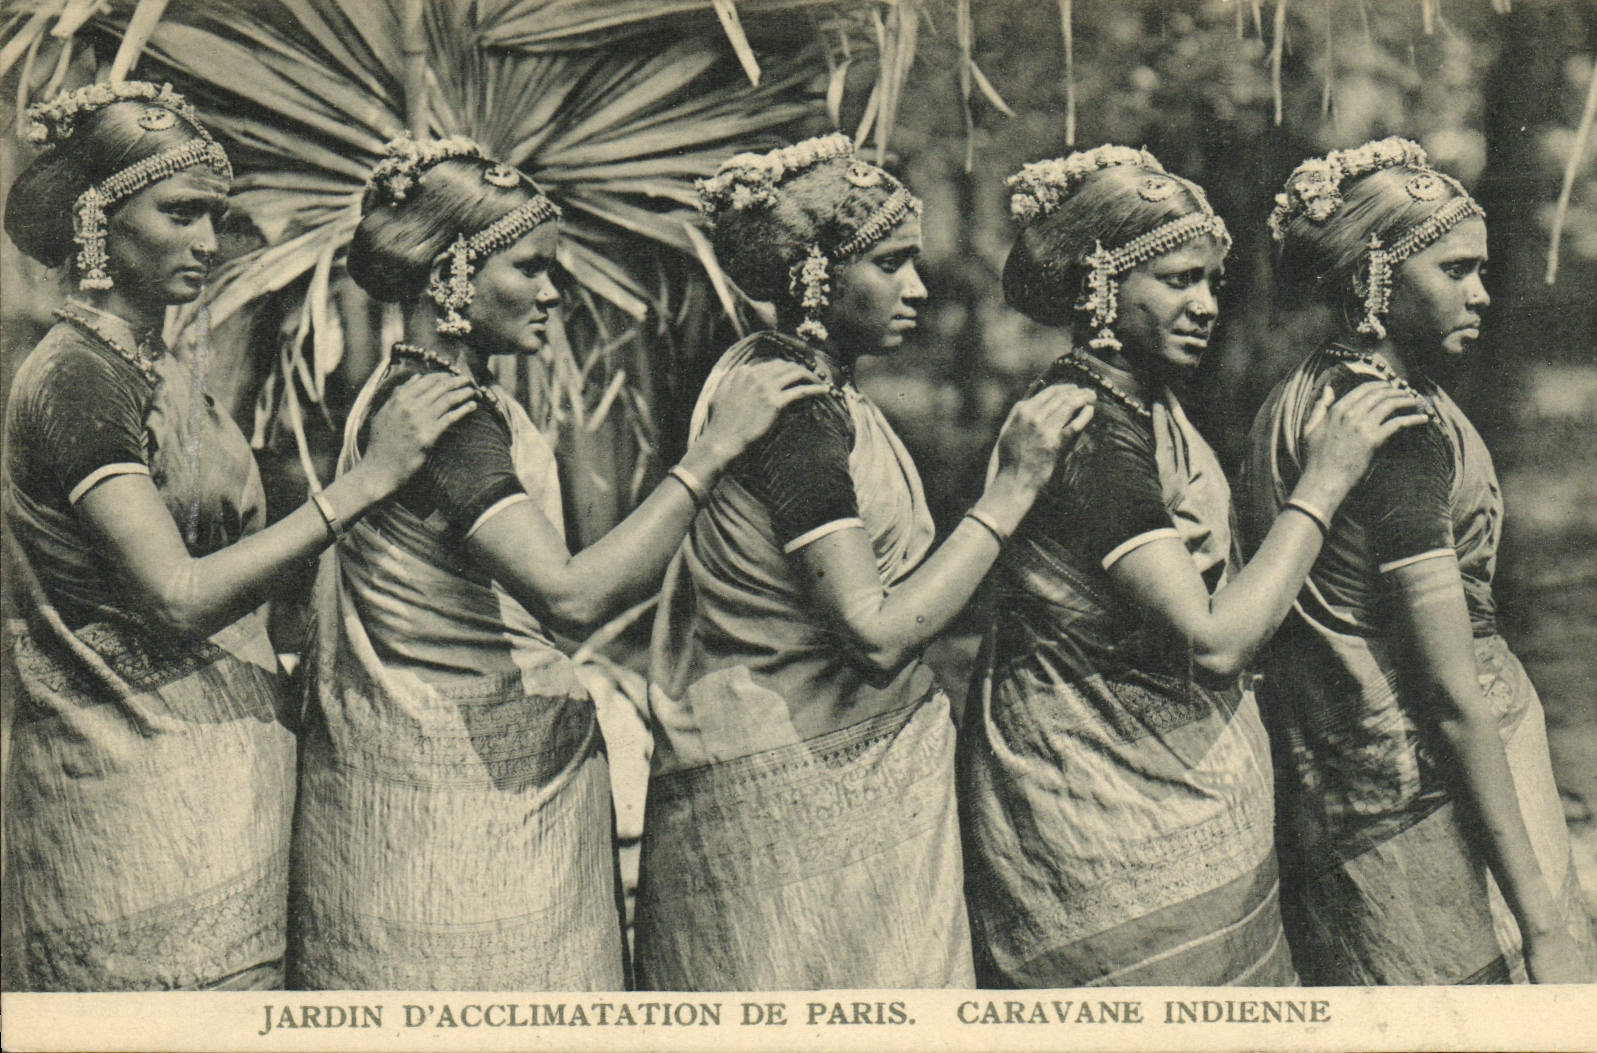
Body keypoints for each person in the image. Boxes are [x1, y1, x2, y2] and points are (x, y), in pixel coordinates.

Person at [289, 134, 823, 990]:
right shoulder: (446, 416)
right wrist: (714, 449)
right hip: (467, 812)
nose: (551, 292)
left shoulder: (427, 391)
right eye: (530, 269)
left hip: (441, 792)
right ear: (451, 274)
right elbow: (571, 597)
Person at [1, 83, 473, 990]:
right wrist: (364, 483)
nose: (208, 244)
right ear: (98, 219)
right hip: (130, 808)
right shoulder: (73, 377)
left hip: (221, 797)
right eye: (180, 214)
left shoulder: (158, 367)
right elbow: (175, 595)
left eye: (215, 217)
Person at [957, 145, 1429, 988]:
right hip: (1103, 828)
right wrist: (1323, 482)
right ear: (1099, 284)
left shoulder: (1143, 405)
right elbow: (1211, 642)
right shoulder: (1088, 428)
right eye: (1177, 280)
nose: (1205, 305)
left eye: (1211, 282)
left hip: (1171, 809)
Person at [632, 133, 1096, 991]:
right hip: (797, 799)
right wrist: (1010, 490)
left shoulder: (810, 389)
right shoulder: (795, 413)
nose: (915, 287)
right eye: (889, 263)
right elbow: (875, 636)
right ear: (814, 275)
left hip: (797, 788)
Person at [1246, 136, 1596, 985]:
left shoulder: (1301, 396)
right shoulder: (1393, 431)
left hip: (1338, 781)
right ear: (1376, 275)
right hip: (1430, 797)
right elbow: (1448, 694)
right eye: (1453, 270)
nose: (1480, 292)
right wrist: (1541, 923)